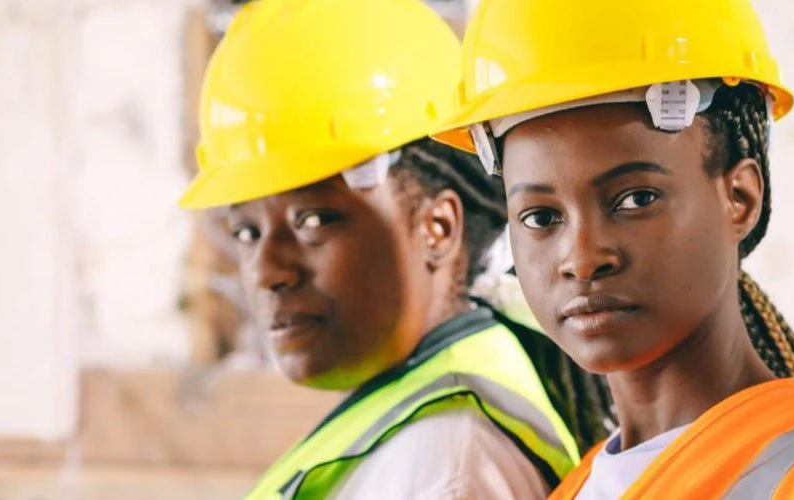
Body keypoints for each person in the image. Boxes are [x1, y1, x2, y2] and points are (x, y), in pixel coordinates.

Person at [434, 0, 794, 498]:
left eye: (635, 199)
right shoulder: (581, 488)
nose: (584, 257)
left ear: (739, 199)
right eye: (541, 218)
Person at [177, 0, 614, 498]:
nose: (267, 271)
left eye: (314, 221)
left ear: (437, 227)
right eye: (247, 232)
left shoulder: (449, 466)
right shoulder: (411, 428)